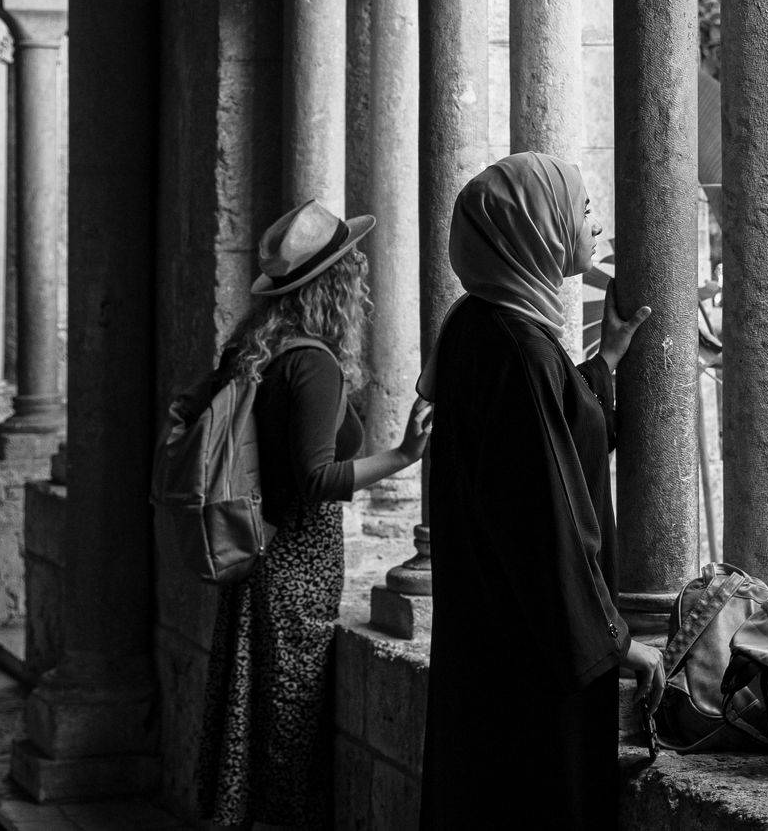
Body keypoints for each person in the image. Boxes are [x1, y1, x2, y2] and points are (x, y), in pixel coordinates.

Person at [417, 152, 664, 828]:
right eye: (580, 211)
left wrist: (605, 360)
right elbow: (546, 526)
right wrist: (619, 641)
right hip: (530, 667)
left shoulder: (480, 325)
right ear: (536, 230)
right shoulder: (518, 350)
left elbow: (552, 444)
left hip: (490, 649)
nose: (594, 224)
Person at [197, 200, 433, 830]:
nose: (362, 279)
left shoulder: (254, 349)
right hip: (296, 569)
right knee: (289, 731)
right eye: (352, 268)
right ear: (335, 284)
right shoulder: (313, 364)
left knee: (253, 716)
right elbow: (316, 479)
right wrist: (403, 455)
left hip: (256, 556)